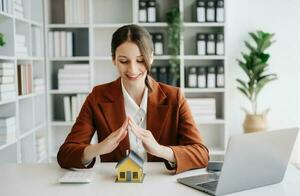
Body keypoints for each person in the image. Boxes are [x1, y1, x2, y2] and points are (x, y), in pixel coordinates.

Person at [57, 24, 209, 174]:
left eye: (140, 60)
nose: (132, 69)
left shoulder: (174, 97)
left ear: (151, 57)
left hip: (163, 187)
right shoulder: (98, 96)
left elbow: (201, 154)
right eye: (124, 61)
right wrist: (99, 148)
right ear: (113, 59)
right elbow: (65, 154)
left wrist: (161, 150)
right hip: (115, 188)